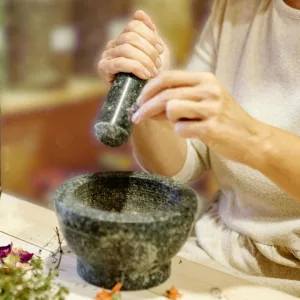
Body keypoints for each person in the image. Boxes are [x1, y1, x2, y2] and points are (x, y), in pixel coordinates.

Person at [98, 0, 300, 296]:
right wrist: (147, 98)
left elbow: (241, 134)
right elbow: (184, 161)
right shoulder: (235, 9)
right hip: (214, 253)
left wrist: (252, 138)